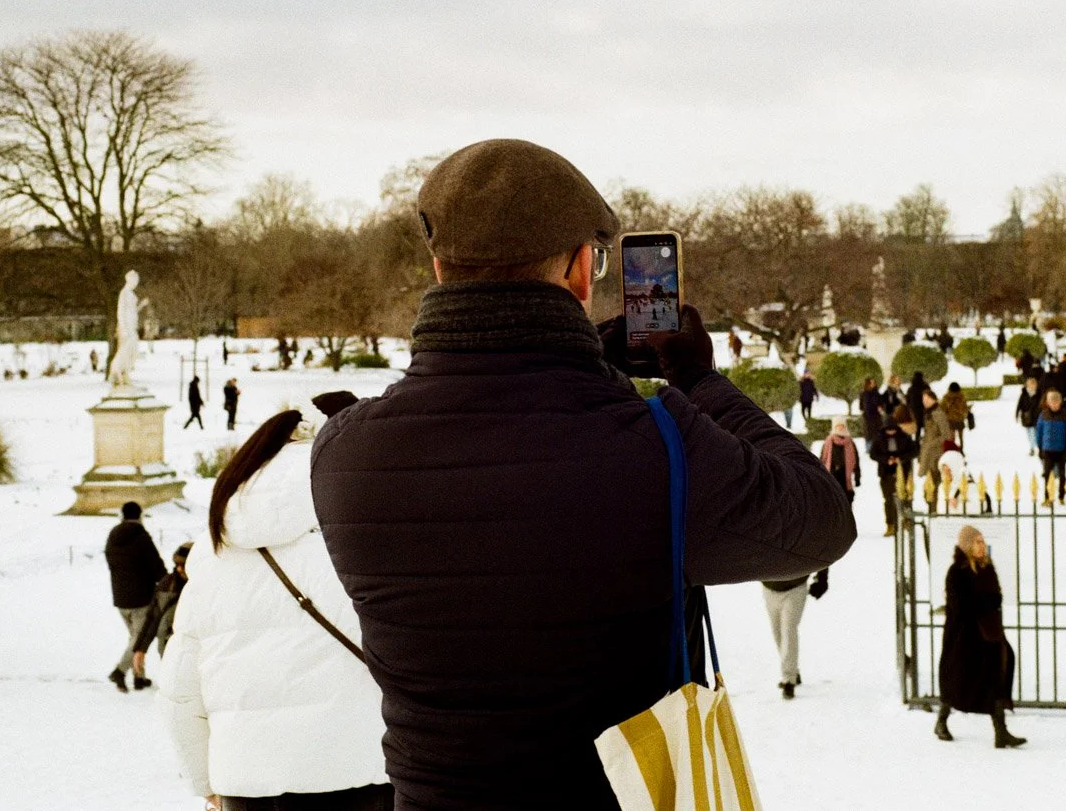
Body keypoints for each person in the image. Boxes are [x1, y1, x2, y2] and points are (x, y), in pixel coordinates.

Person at [309, 139, 857, 808]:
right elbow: (821, 520)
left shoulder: (344, 452)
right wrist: (697, 381)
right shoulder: (657, 442)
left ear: (438, 267)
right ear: (581, 270)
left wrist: (580, 370)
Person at [159, 410, 392, 811]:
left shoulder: (213, 554)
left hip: (248, 782)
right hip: (363, 769)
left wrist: (205, 781)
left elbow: (180, 691)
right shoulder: (369, 541)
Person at [933, 526, 1025, 749]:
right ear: (967, 545)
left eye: (982, 541)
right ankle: (941, 721)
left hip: (989, 635)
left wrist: (987, 603)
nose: (981, 546)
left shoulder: (987, 568)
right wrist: (986, 603)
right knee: (957, 681)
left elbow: (997, 597)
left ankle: (1001, 732)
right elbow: (962, 605)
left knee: (995, 679)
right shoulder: (957, 571)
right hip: (963, 638)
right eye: (977, 542)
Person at [104, 501, 164, 692]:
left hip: (120, 598)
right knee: (139, 640)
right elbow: (156, 566)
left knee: (135, 637)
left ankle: (139, 677)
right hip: (141, 598)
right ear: (140, 515)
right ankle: (120, 672)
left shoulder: (113, 535)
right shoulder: (141, 537)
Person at [131, 542, 191, 684]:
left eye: (184, 564)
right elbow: (152, 618)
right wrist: (140, 649)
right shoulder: (166, 585)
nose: (179, 568)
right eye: (177, 564)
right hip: (168, 654)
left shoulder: (207, 587)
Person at [762, 571, 811, 700]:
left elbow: (819, 552)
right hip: (769, 588)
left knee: (788, 630)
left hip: (795, 588)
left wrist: (822, 578)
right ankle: (793, 671)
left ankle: (789, 680)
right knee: (777, 632)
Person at [870, 414, 917, 537]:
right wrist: (886, 460)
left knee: (906, 497)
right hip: (886, 473)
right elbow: (873, 454)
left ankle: (906, 520)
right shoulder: (879, 438)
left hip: (903, 472)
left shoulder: (905, 437)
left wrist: (900, 459)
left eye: (893, 429)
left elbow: (914, 451)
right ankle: (891, 524)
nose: (891, 432)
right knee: (889, 500)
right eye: (888, 430)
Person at [1035, 390, 1066, 506]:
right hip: (1047, 449)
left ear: (1059, 402)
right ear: (1048, 403)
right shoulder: (1043, 415)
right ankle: (1047, 497)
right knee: (1047, 474)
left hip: (1061, 450)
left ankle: (1062, 495)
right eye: (1051, 402)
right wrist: (1039, 447)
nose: (1054, 404)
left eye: (1056, 402)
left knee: (1062, 475)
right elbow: (1039, 432)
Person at [919, 388, 954, 499]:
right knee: (930, 487)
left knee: (932, 487)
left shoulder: (938, 414)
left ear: (933, 399)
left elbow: (946, 435)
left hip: (936, 455)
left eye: (927, 399)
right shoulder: (929, 414)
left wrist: (931, 444)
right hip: (930, 454)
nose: (925, 402)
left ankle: (933, 511)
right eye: (923, 399)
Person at [1015, 377, 1042, 457]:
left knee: (1035, 433)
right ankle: (1032, 448)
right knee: (1029, 433)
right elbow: (1019, 404)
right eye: (1030, 384)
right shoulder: (1024, 394)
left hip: (1036, 417)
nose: (1032, 386)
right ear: (1027, 385)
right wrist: (1017, 414)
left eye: (1033, 385)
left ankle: (1037, 447)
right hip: (1026, 417)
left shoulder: (1039, 394)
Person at [942, 382, 970, 451]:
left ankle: (953, 450)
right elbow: (965, 408)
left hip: (950, 419)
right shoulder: (961, 396)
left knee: (952, 437)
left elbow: (943, 408)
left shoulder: (946, 397)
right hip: (960, 419)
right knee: (961, 437)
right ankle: (961, 450)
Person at [859, 377, 884, 444]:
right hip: (868, 418)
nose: (873, 384)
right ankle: (869, 449)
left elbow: (881, 403)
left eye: (874, 382)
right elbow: (861, 406)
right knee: (869, 435)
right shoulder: (863, 393)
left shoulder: (877, 393)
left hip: (876, 417)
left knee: (878, 434)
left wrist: (880, 407)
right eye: (871, 382)